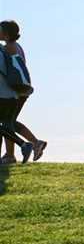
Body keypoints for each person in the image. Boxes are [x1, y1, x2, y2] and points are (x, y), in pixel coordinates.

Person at [0, 20, 46, 163]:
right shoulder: (17, 46)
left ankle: (12, 153)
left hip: (13, 91)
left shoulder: (7, 49)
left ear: (5, 33)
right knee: (9, 123)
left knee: (8, 124)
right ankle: (31, 144)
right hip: (20, 89)